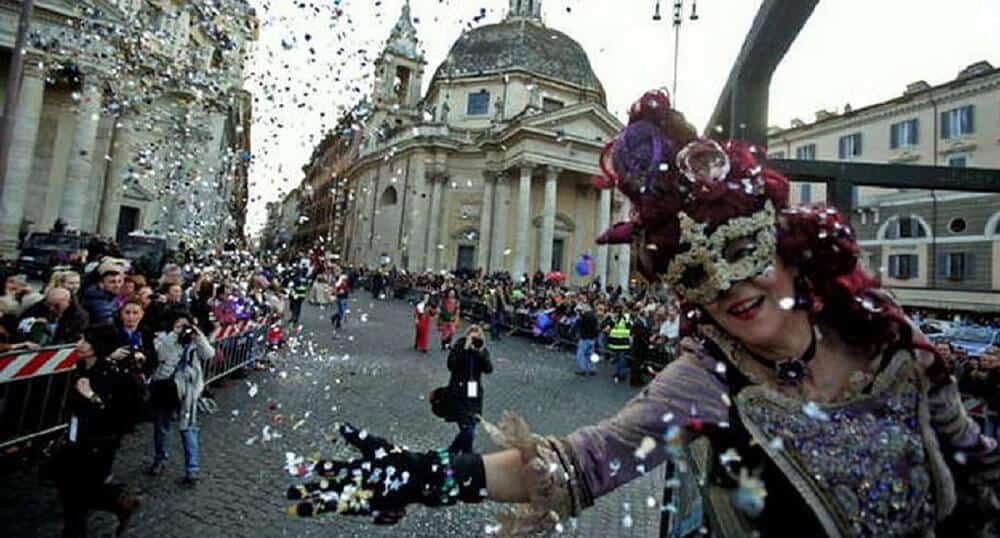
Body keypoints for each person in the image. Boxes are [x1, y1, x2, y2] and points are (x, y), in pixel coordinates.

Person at [280, 90, 1000, 536]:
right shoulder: (710, 376)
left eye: (743, 257)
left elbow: (973, 462)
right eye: (697, 276)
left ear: (789, 252)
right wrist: (431, 474)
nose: (728, 289)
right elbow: (585, 461)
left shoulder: (884, 337)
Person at [54, 325, 144, 537]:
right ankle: (120, 502)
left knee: (76, 497)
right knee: (72, 492)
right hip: (76, 438)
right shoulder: (81, 367)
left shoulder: (116, 374)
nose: (79, 345)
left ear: (98, 345)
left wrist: (92, 397)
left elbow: (119, 414)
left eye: (85, 341)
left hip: (99, 444)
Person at [148, 309, 213, 485]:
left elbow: (208, 354)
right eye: (179, 325)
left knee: (189, 428)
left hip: (188, 389)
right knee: (162, 426)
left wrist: (198, 336)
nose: (183, 329)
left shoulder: (193, 339)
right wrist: (174, 336)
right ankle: (160, 459)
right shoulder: (162, 337)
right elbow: (161, 355)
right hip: (166, 387)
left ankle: (192, 469)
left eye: (185, 325)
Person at [444, 325, 493, 454]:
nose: (474, 340)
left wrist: (480, 352)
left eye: (477, 337)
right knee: (467, 430)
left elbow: (488, 369)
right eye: (472, 337)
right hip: (458, 393)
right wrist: (465, 348)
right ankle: (467, 457)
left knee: (470, 427)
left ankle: (451, 452)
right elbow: (451, 365)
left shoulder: (481, 348)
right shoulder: (459, 345)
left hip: (474, 395)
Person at [18, 287, 89, 345]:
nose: (51, 308)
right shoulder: (40, 307)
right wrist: (33, 323)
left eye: (57, 306)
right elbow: (21, 324)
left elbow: (73, 338)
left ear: (68, 302)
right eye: (49, 304)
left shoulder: (79, 316)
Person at [81, 261, 124, 326]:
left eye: (119, 281)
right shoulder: (96, 299)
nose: (117, 285)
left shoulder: (111, 296)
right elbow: (109, 324)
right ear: (101, 284)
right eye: (112, 282)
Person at [604, 302, 632, 383]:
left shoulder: (615, 318)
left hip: (617, 342)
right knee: (621, 359)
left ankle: (620, 374)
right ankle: (619, 373)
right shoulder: (626, 317)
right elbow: (629, 326)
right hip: (623, 342)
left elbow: (608, 328)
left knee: (619, 359)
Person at [574, 303, 599, 377]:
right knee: (590, 354)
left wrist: (579, 314)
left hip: (585, 338)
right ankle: (592, 369)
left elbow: (578, 323)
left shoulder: (584, 316)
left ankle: (583, 369)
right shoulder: (594, 316)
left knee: (580, 355)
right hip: (592, 338)